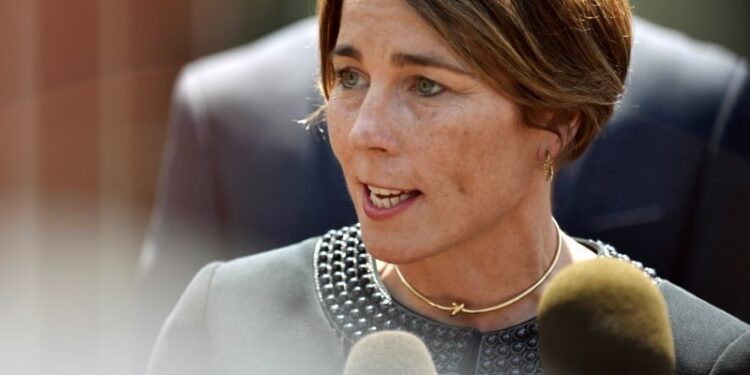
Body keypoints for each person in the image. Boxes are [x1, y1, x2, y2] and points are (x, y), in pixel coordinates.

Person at [146, 1, 750, 374]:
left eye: (426, 86)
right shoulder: (226, 315)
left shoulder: (703, 357)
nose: (365, 131)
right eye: (351, 76)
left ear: (557, 121)